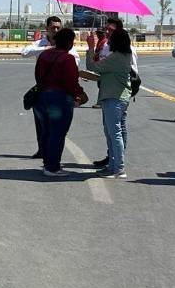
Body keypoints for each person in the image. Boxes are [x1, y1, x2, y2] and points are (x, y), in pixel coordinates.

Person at [33, 27, 87, 177]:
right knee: (57, 133)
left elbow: (38, 75)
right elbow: (71, 82)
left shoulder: (44, 55)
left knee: (46, 131)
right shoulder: (67, 58)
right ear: (69, 42)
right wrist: (80, 94)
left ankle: (47, 163)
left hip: (41, 97)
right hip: (59, 99)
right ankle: (52, 167)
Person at [90, 17, 139, 166]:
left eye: (110, 30)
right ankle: (112, 159)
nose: (107, 32)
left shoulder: (127, 51)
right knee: (110, 130)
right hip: (107, 89)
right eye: (106, 29)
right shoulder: (106, 47)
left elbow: (132, 72)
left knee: (116, 130)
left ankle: (118, 162)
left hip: (117, 93)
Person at [31, 16, 66, 158]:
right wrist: (47, 49)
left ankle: (53, 154)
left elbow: (75, 60)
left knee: (56, 124)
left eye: (58, 28)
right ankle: (42, 149)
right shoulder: (40, 44)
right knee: (40, 121)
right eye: (53, 27)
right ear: (47, 29)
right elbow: (25, 52)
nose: (56, 30)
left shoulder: (66, 45)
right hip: (41, 89)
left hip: (59, 90)